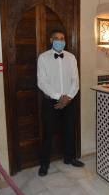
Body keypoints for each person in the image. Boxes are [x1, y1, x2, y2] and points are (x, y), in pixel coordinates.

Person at [37, 30, 84, 177]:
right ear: (51, 39)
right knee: (48, 133)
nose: (59, 40)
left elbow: (75, 81)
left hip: (69, 102)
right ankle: (44, 164)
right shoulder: (43, 58)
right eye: (56, 38)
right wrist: (59, 97)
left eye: (62, 38)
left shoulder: (71, 57)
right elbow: (42, 82)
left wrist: (68, 98)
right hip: (51, 102)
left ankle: (69, 158)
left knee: (70, 131)